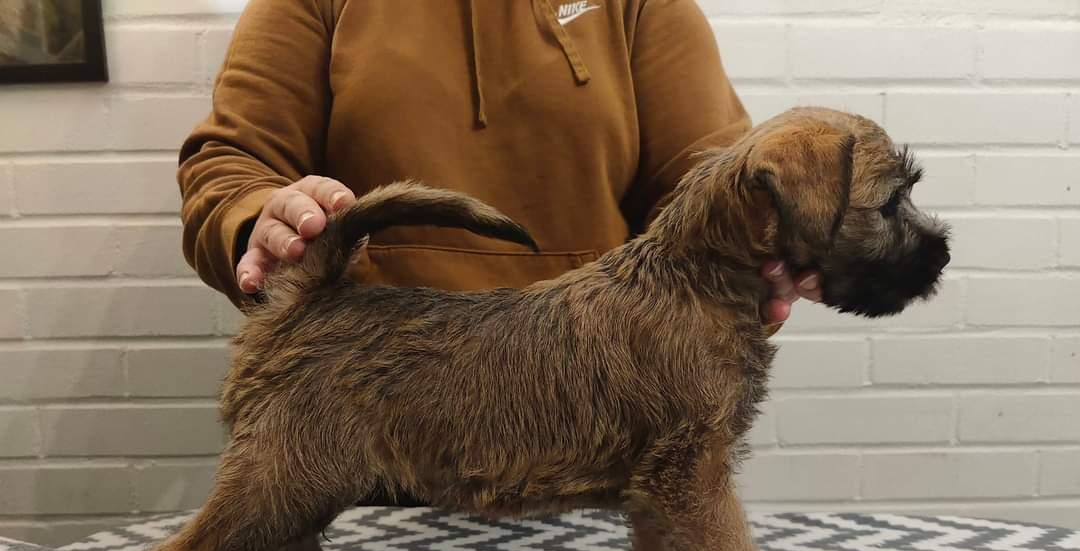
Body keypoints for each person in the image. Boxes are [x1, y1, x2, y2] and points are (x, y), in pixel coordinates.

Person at [178, 0, 821, 323]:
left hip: (597, 408)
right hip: (369, 402)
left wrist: (768, 247)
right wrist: (261, 222)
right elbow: (234, 162)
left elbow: (709, 184)